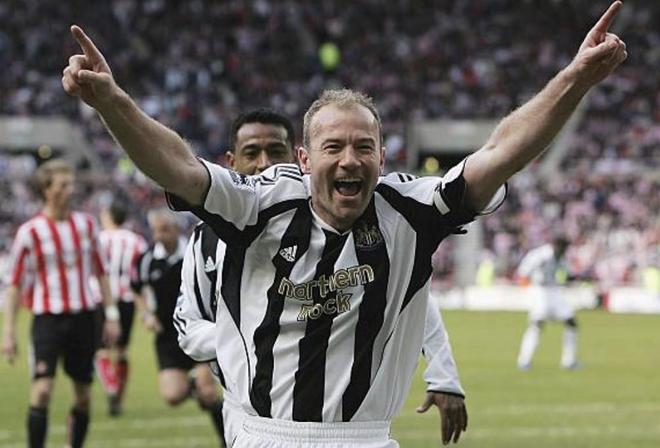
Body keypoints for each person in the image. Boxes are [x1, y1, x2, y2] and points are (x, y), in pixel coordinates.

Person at [62, 2, 626, 446]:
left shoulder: (410, 210)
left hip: (366, 438)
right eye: (333, 147)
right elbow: (181, 168)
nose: (350, 160)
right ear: (304, 160)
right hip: (267, 436)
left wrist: (574, 79)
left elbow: (500, 154)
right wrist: (112, 102)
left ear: (383, 156)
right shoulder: (260, 205)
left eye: (364, 146)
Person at [174, 109, 468, 445]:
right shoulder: (207, 238)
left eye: (276, 151)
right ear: (231, 162)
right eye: (251, 153)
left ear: (298, 159)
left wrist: (443, 374)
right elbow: (187, 324)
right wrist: (252, 341)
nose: (264, 163)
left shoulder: (338, 219)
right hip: (249, 413)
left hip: (341, 421)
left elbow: (411, 301)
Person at [1, 159, 120, 448]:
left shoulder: (87, 225)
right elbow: (15, 285)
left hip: (84, 317)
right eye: (63, 185)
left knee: (83, 396)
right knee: (42, 391)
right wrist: (8, 332)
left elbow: (101, 273)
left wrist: (112, 314)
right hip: (48, 320)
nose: (71, 189)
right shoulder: (30, 232)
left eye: (71, 184)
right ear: (47, 190)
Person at [130, 207, 225, 446]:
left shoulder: (194, 252)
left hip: (197, 329)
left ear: (176, 228)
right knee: (172, 396)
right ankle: (193, 385)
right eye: (155, 231)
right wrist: (146, 314)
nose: (159, 236)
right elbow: (136, 289)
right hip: (167, 337)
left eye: (164, 230)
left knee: (208, 393)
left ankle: (226, 438)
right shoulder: (147, 259)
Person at [94, 199, 147, 415]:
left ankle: (111, 386)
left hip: (101, 298)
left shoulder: (98, 238)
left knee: (102, 350)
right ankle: (119, 397)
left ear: (109, 216)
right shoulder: (136, 241)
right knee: (122, 350)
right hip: (126, 298)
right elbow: (141, 273)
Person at [516, 237, 579, 370]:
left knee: (571, 323)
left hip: (553, 290)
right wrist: (529, 291)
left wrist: (575, 278)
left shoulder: (561, 257)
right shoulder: (541, 255)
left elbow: (568, 274)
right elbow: (523, 272)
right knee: (537, 324)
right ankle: (524, 361)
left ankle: (569, 361)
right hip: (539, 290)